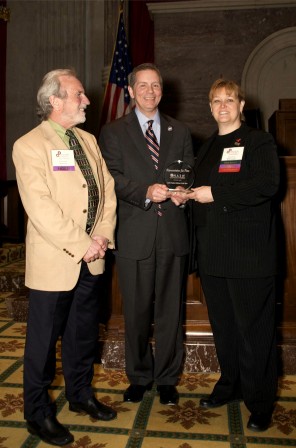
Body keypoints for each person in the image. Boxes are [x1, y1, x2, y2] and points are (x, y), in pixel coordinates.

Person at [13, 68, 117, 447]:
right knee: (42, 344)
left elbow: (106, 190)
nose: (86, 100)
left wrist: (102, 236)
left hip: (93, 257)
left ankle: (81, 394)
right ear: (55, 101)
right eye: (77, 95)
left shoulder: (88, 140)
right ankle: (37, 413)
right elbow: (41, 209)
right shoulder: (28, 145)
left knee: (83, 335)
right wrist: (82, 243)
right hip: (57, 262)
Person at [185, 78, 280, 432]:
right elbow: (203, 191)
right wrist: (187, 196)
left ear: (242, 104)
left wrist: (216, 195)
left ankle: (260, 401)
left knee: (254, 332)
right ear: (209, 107)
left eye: (229, 99)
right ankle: (230, 385)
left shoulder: (259, 141)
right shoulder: (207, 146)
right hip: (212, 255)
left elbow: (267, 184)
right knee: (224, 329)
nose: (223, 106)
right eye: (216, 101)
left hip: (249, 256)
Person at [99, 63, 194, 405]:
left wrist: (184, 194)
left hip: (172, 233)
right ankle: (139, 376)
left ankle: (168, 378)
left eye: (156, 86)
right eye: (143, 86)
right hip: (134, 235)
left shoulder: (179, 131)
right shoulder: (113, 132)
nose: (150, 91)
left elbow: (187, 174)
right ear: (131, 91)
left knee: (171, 312)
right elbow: (111, 178)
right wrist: (144, 191)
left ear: (162, 91)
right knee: (136, 312)